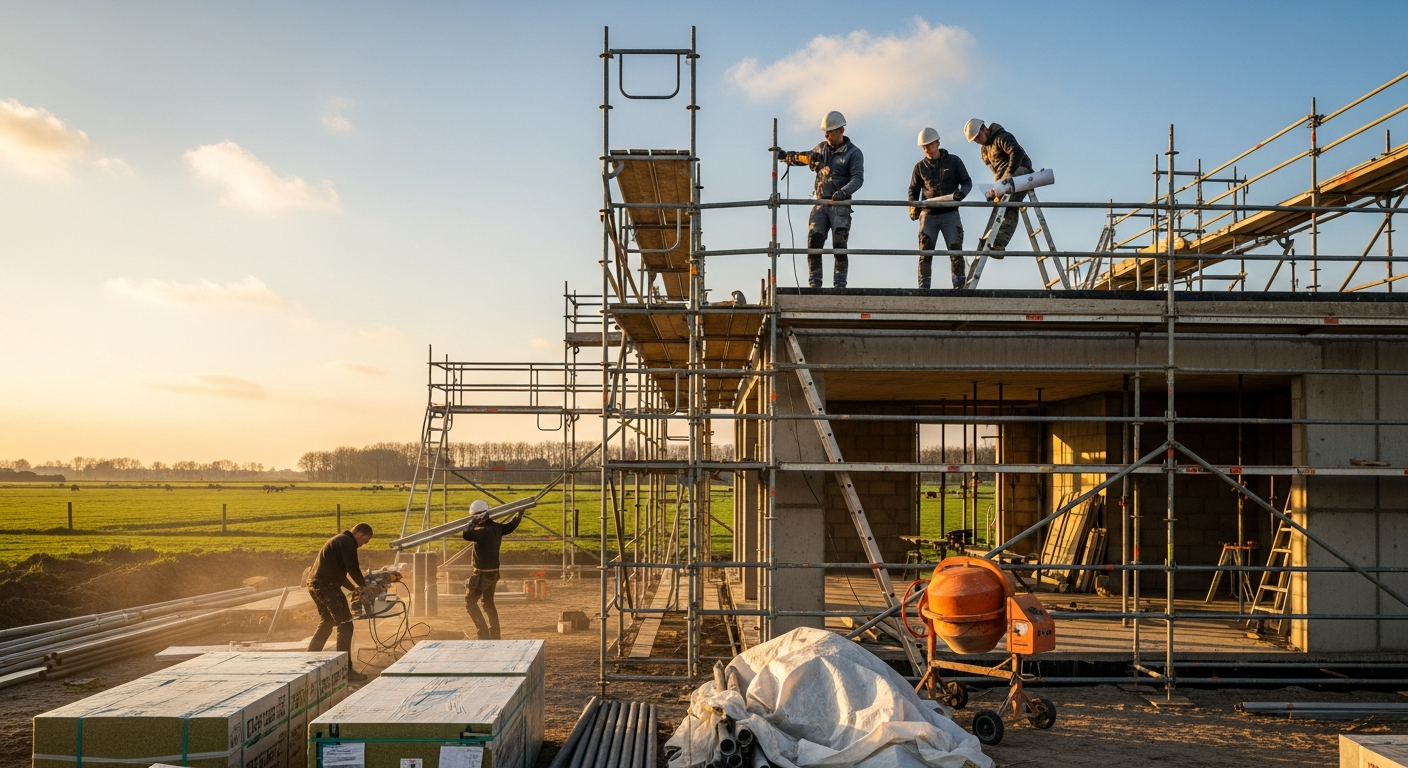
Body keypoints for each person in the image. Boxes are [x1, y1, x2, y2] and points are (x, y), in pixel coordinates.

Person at [778, 110, 865, 289]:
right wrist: (786, 156)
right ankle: (814, 285)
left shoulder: (853, 153)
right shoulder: (821, 148)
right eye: (825, 132)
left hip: (840, 204)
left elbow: (857, 179)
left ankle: (840, 286)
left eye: (830, 131)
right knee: (814, 242)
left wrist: (843, 192)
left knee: (839, 244)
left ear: (841, 130)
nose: (826, 134)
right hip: (820, 203)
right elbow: (805, 157)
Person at [908, 127, 973, 289]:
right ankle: (924, 288)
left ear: (937, 142)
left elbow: (967, 182)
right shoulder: (920, 167)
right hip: (928, 215)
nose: (926, 149)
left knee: (956, 251)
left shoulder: (954, 161)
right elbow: (913, 189)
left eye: (929, 145)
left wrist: (961, 194)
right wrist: (913, 205)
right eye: (923, 147)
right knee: (925, 252)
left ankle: (959, 287)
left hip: (950, 212)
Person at [307, 522, 373, 680]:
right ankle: (345, 671)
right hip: (326, 585)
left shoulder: (339, 540)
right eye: (365, 541)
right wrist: (364, 587)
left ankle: (308, 661)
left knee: (327, 621)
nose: (363, 544)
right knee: (345, 624)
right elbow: (353, 567)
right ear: (360, 535)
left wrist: (354, 589)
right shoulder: (347, 542)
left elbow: (339, 574)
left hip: (314, 583)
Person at [963, 118, 1034, 254]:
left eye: (978, 137)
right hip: (1004, 180)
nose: (978, 141)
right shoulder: (985, 151)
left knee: (1010, 204)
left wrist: (1007, 177)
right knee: (1002, 203)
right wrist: (995, 189)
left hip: (1021, 172)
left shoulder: (1002, 137)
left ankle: (998, 242)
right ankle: (993, 240)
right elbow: (995, 172)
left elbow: (1016, 152)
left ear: (984, 129)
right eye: (975, 140)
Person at [461, 499, 524, 640]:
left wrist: (472, 522)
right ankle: (495, 634)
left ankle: (483, 634)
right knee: (488, 603)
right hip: (494, 573)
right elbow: (511, 526)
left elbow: (466, 534)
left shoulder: (482, 532)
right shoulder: (496, 528)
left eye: (474, 517)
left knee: (470, 602)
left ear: (479, 516)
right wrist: (519, 514)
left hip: (482, 574)